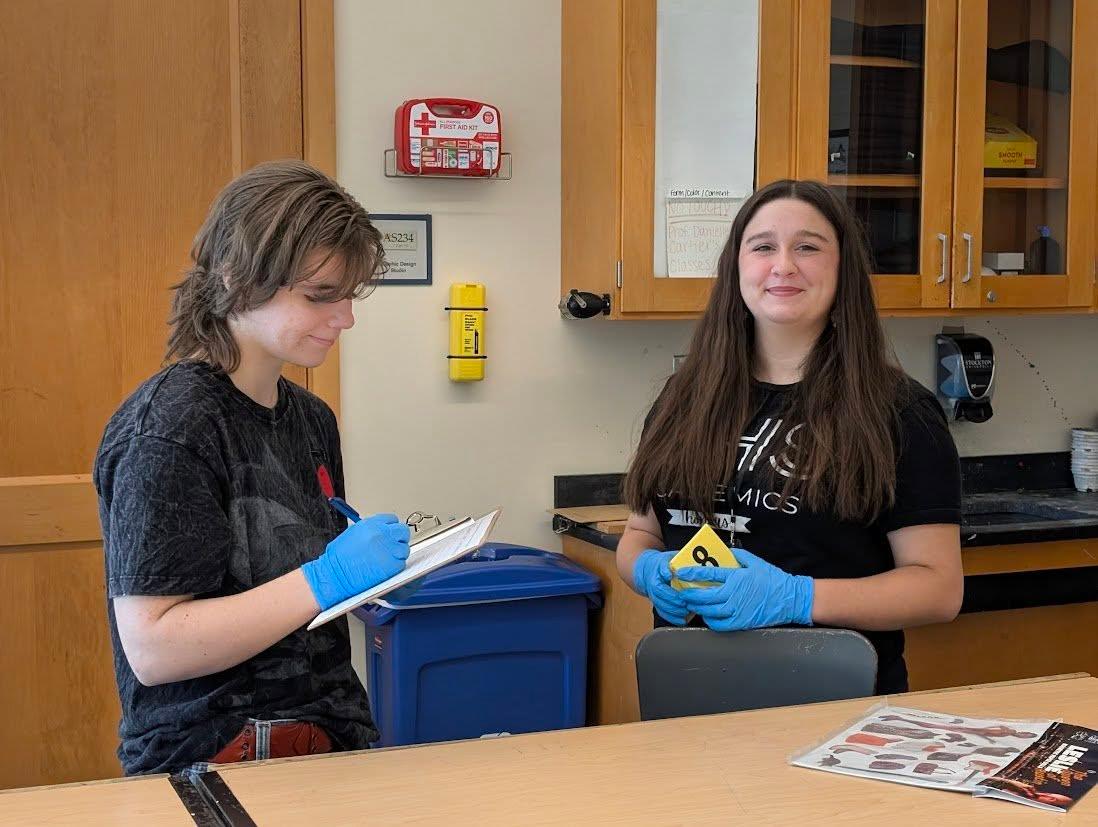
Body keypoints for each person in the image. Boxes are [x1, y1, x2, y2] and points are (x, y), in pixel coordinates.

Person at [93, 160, 409, 775]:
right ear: (238, 280)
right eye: (321, 297)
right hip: (211, 758)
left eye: (347, 296)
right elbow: (154, 648)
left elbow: (289, 600)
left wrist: (373, 585)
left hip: (328, 738)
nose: (345, 318)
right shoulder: (170, 429)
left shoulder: (311, 419)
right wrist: (326, 579)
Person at [617, 179, 963, 693]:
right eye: (762, 247)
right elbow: (640, 534)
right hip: (690, 691)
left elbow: (938, 588)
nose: (783, 265)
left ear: (842, 269)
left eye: (808, 247)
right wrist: (647, 570)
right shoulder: (683, 397)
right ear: (736, 267)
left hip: (832, 698)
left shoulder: (897, 411)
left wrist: (797, 598)